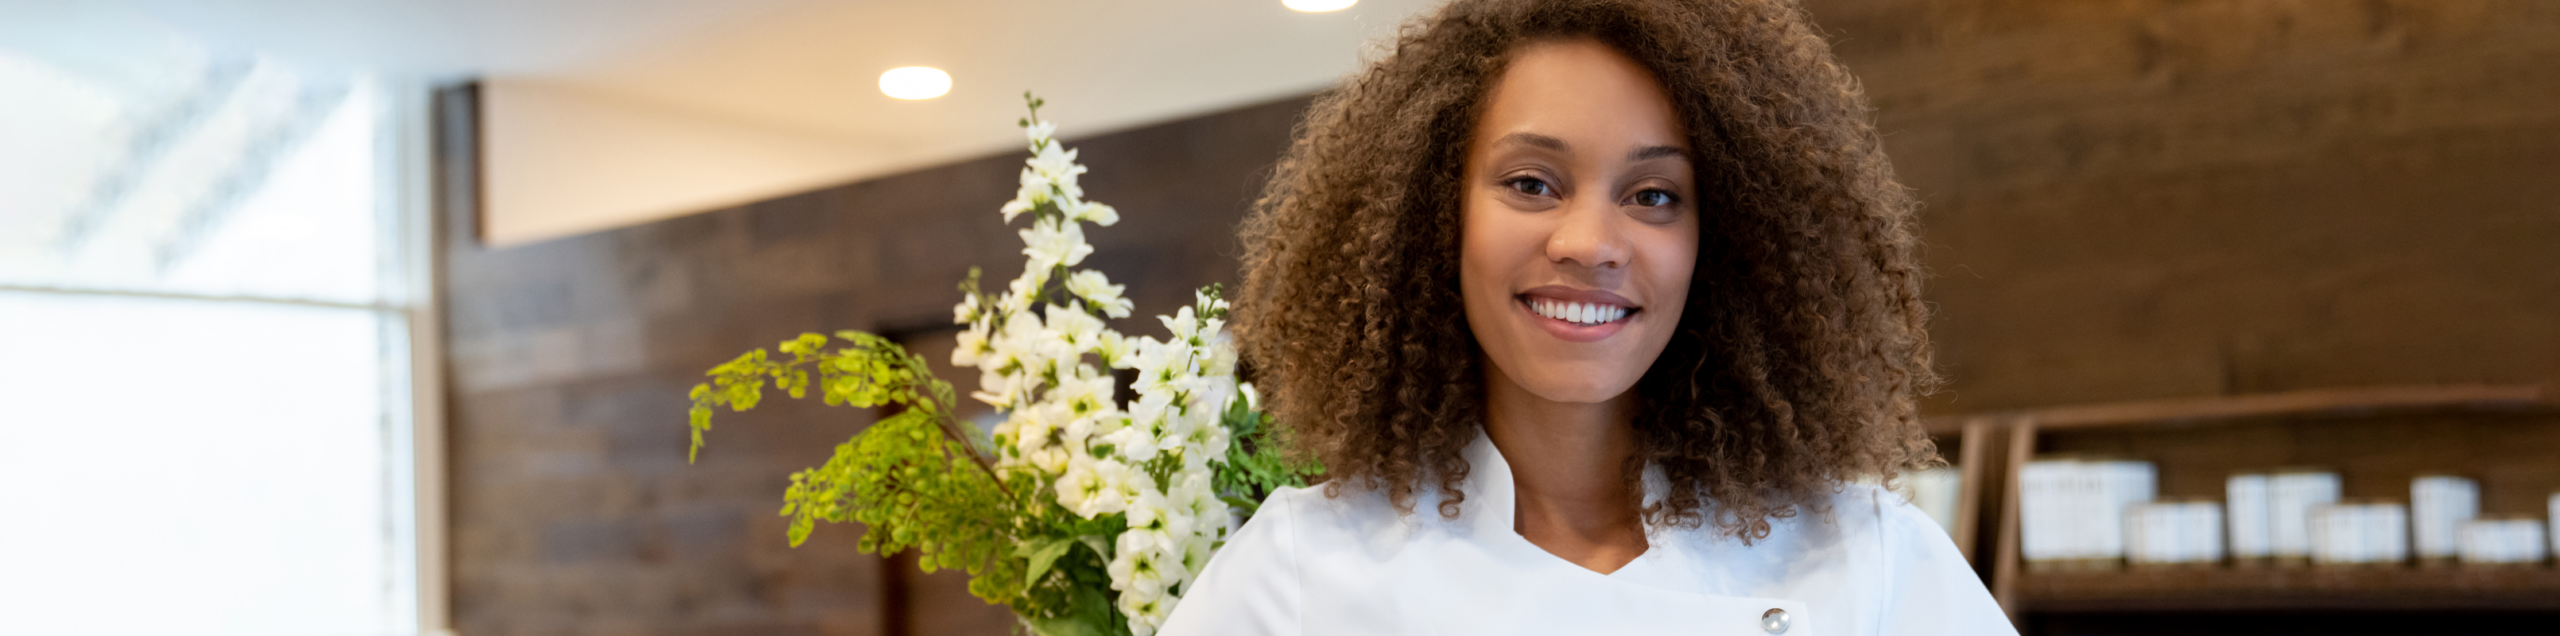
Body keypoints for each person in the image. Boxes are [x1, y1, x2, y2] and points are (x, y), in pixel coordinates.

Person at [1158, 0, 2013, 634]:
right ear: (1433, 217)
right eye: (1532, 183)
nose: (1591, 243)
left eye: (1653, 196)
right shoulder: (1302, 576)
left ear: (1723, 245)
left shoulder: (1869, 560)